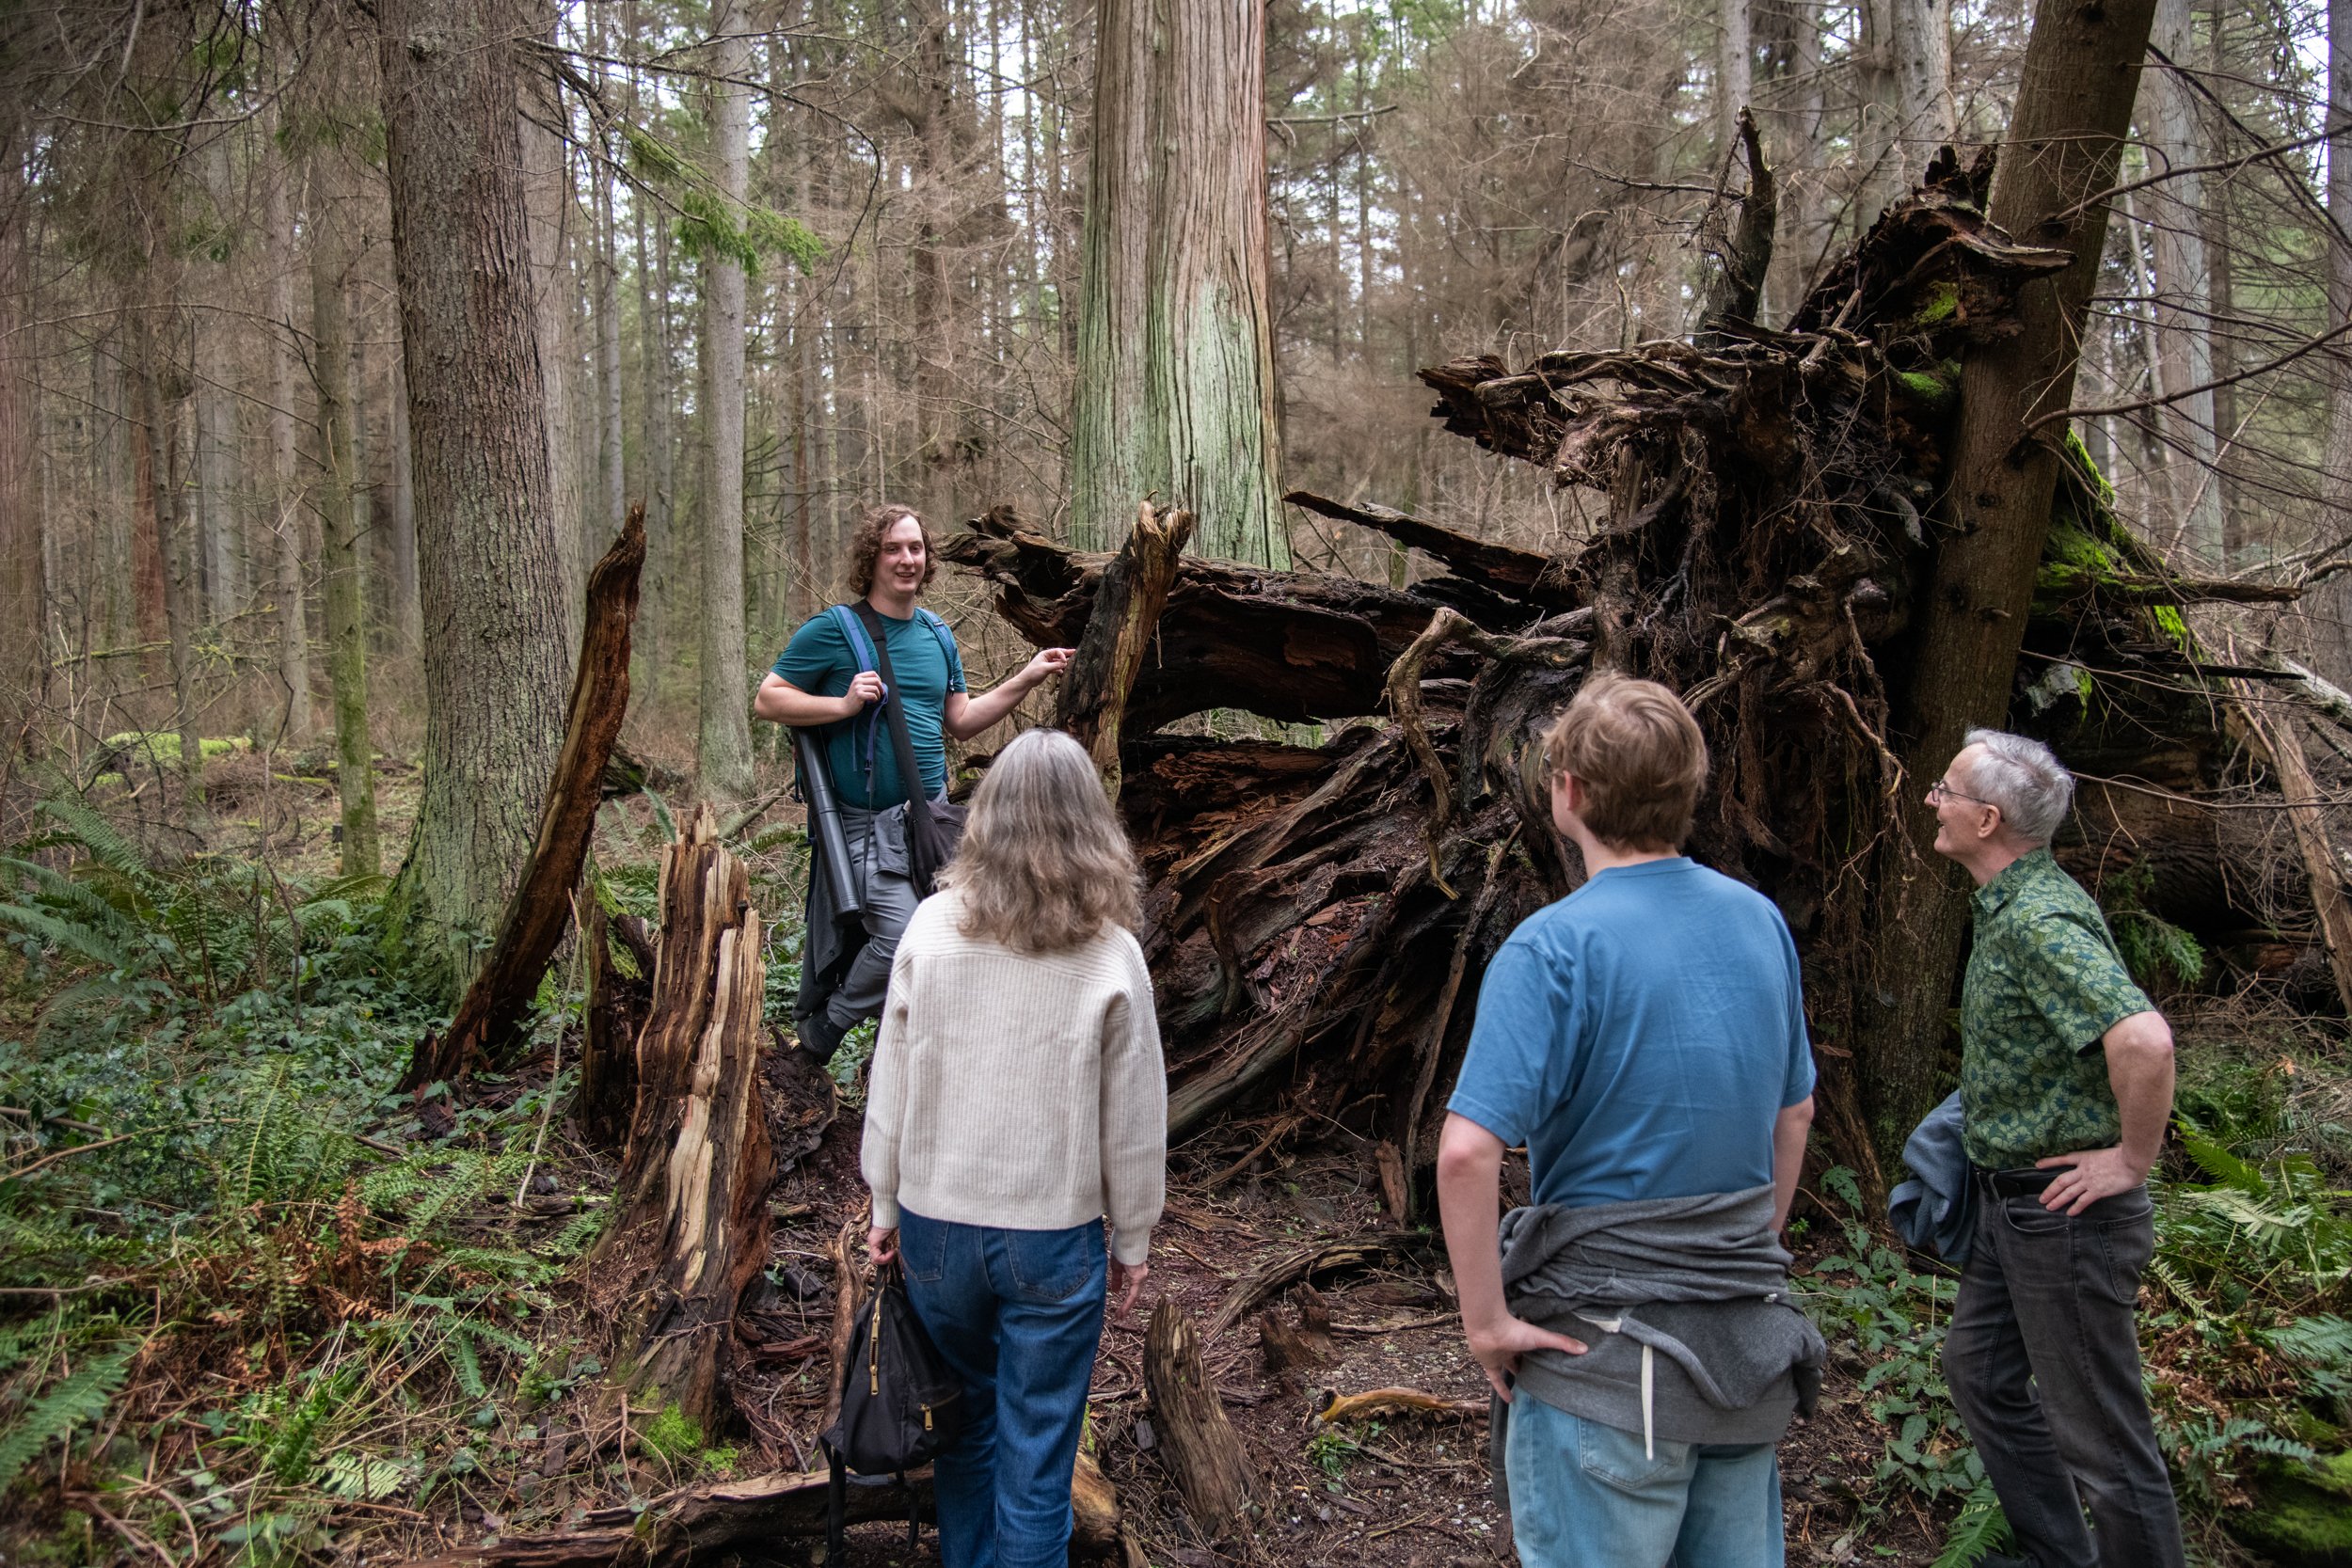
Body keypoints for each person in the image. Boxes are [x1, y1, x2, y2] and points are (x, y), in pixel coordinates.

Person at [1435, 673, 1820, 1568]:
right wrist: (1737, 1250)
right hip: (1742, 1354)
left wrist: (1486, 1322)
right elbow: (1795, 1109)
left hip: (1606, 1369)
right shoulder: (1759, 922)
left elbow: (1465, 1153)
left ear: (1566, 791)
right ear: (1690, 789)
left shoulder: (1552, 946)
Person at [861, 726, 1165, 1568]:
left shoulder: (929, 928)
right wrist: (1133, 1236)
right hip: (1051, 1240)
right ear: (1092, 827)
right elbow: (1135, 1116)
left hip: (936, 1232)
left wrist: (883, 1200)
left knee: (964, 1435)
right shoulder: (1112, 954)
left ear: (984, 820)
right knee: (1037, 1463)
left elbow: (892, 1076)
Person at [1929, 729, 2183, 1568]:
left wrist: (2131, 1161)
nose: (1933, 799)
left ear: (1987, 819)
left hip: (2067, 1220)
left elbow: (2144, 1039)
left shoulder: (2039, 918)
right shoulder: (2010, 903)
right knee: (1980, 1375)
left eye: (1946, 790)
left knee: (2105, 1441)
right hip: (2014, 1209)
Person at [755, 504, 1073, 1065]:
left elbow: (962, 720)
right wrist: (843, 705)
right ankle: (826, 1030)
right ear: (872, 559)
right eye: (893, 549)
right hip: (862, 827)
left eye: (916, 548)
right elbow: (768, 698)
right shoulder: (834, 630)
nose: (907, 560)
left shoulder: (936, 634)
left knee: (954, 942)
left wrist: (1028, 675)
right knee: (903, 937)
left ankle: (900, 1059)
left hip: (931, 821)